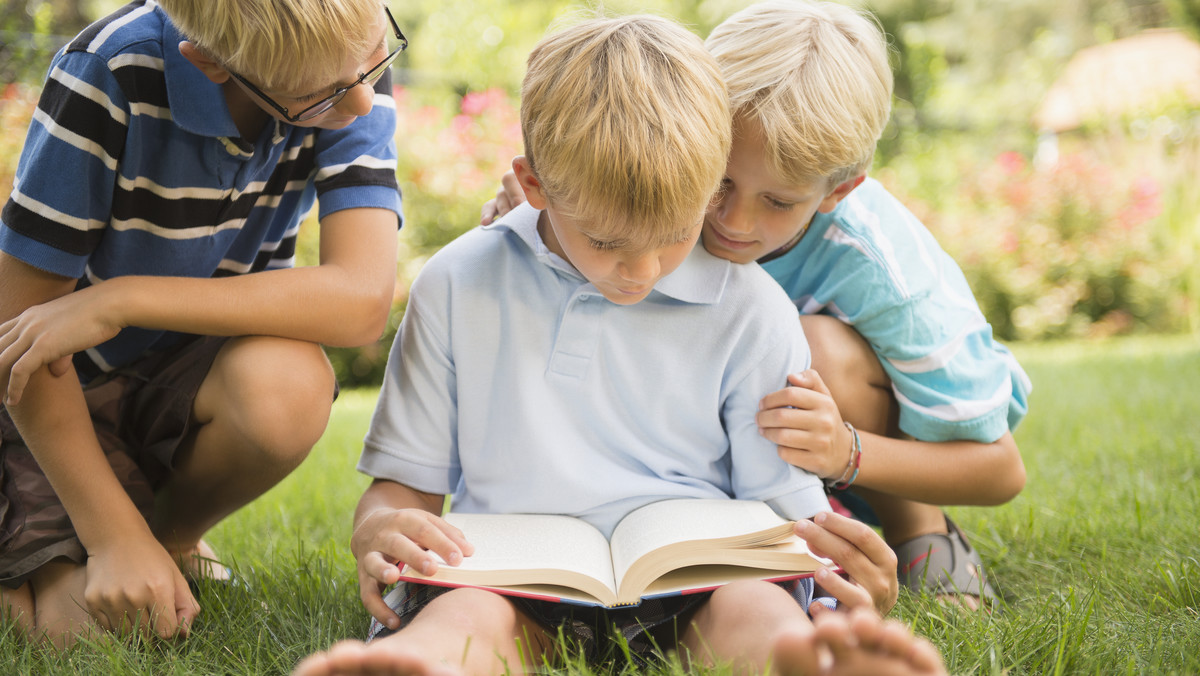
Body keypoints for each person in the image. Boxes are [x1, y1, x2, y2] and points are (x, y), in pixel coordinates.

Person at [294, 14, 946, 676]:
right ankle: (422, 665)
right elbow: (401, 490)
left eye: (674, 234)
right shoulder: (457, 284)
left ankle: (810, 663)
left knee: (755, 611)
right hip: (507, 580)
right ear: (538, 186)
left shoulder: (753, 308)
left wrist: (842, 568)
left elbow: (785, 510)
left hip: (700, 583)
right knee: (468, 622)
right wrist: (378, 528)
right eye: (607, 243)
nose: (641, 270)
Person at [482, 0, 1030, 609]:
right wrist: (549, 214)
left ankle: (921, 531)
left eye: (778, 202)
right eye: (719, 180)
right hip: (737, 453)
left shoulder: (883, 272)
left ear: (838, 189)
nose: (734, 223)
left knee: (812, 350)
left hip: (846, 440)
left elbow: (1000, 469)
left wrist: (845, 451)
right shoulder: (662, 199)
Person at [0, 0, 404, 647]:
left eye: (373, 63)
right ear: (211, 63)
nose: (361, 105)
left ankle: (168, 538)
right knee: (72, 634)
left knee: (288, 384)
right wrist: (112, 539)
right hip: (54, 395)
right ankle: (100, 543)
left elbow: (361, 300)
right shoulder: (107, 71)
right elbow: (20, 340)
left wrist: (122, 299)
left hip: (179, 382)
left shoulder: (346, 55)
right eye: (321, 96)